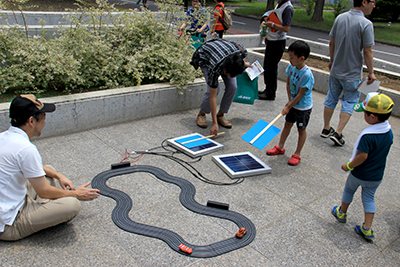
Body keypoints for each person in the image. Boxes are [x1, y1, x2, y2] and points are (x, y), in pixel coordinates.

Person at [0, 94, 100, 241]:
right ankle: (43, 207)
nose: (45, 123)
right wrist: (77, 194)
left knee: (49, 171)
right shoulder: (26, 149)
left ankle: (43, 205)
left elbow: (33, 166)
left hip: (9, 200)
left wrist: (59, 175)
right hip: (9, 223)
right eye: (44, 118)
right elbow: (44, 191)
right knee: (72, 205)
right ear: (31, 121)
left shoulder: (4, 137)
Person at [331, 92, 394, 242]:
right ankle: (367, 228)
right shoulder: (388, 132)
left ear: (373, 117)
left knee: (349, 190)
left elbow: (362, 156)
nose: (363, 115)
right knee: (369, 198)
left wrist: (348, 166)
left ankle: (342, 213)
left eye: (365, 113)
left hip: (360, 174)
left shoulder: (368, 136)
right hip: (376, 175)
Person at [321, 0, 376, 146]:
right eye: (373, 2)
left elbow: (331, 42)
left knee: (331, 97)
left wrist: (332, 59)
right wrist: (371, 72)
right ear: (364, 2)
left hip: (336, 70)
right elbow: (367, 51)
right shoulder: (366, 24)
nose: (374, 5)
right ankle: (338, 133)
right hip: (352, 73)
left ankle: (326, 128)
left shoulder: (340, 18)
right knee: (350, 101)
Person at [265, 40, 314, 166]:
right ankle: (280, 147)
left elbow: (300, 94)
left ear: (301, 58)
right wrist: (289, 102)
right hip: (292, 103)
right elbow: (288, 84)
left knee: (301, 129)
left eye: (292, 57)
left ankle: (297, 153)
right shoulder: (291, 67)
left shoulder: (307, 74)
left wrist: (289, 106)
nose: (289, 59)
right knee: (287, 124)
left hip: (303, 106)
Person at [190, 39, 252, 135]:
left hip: (224, 53)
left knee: (233, 86)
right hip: (206, 58)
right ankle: (201, 114)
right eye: (227, 74)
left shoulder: (241, 52)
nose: (228, 77)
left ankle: (221, 114)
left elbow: (239, 62)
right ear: (225, 69)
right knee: (215, 90)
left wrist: (246, 65)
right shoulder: (214, 67)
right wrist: (214, 124)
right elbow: (213, 96)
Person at [258, 0, 293, 101]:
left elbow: (286, 28)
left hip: (278, 42)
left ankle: (270, 93)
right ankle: (267, 89)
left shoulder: (288, 8)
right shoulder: (280, 4)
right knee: (267, 66)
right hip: (271, 40)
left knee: (271, 68)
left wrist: (272, 25)